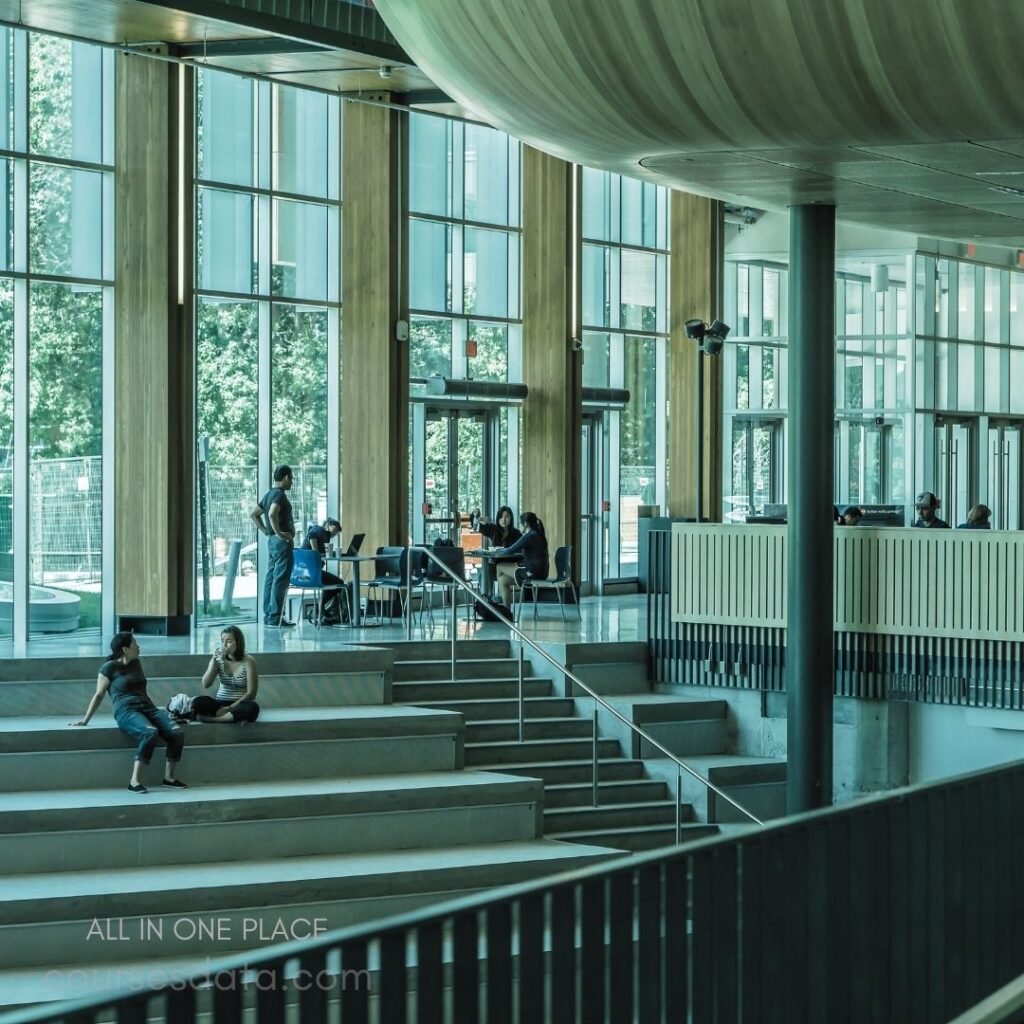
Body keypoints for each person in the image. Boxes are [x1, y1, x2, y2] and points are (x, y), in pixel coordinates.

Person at [68, 631, 186, 793]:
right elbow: (99, 694)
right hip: (126, 710)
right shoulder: (108, 668)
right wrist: (85, 720)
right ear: (125, 649)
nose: (138, 647)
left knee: (176, 733)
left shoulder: (136, 663)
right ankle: (134, 781)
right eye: (135, 644)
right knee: (150, 733)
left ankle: (169, 778)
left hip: (148, 707)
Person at [251, 465, 296, 627]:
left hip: (272, 542)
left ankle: (269, 616)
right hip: (281, 543)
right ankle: (276, 617)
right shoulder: (279, 495)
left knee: (271, 577)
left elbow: (254, 514)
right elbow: (272, 513)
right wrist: (279, 533)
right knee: (281, 579)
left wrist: (266, 531)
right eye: (291, 479)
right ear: (285, 477)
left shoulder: (269, 494)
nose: (292, 482)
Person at [192, 625, 260, 723]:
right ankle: (232, 718)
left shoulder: (249, 661)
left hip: (241, 703)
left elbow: (251, 693)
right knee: (198, 702)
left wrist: (228, 708)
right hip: (221, 702)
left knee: (253, 707)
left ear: (238, 643)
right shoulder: (219, 659)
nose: (224, 645)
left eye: (229, 641)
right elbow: (206, 684)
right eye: (222, 641)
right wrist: (214, 661)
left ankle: (214, 719)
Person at [492, 511, 550, 609]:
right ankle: (506, 612)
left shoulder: (530, 535)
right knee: (502, 580)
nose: (520, 526)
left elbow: (510, 550)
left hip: (533, 573)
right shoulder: (538, 534)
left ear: (525, 524)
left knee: (499, 566)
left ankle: (498, 596)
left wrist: (494, 552)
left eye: (521, 523)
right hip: (541, 573)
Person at [301, 517, 345, 623]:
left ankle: (322, 610)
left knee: (332, 582)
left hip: (303, 572)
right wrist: (315, 552)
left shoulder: (325, 537)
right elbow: (312, 534)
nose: (337, 531)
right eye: (335, 528)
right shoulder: (320, 530)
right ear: (328, 525)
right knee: (339, 583)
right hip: (311, 572)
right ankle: (320, 609)